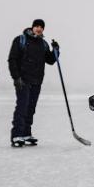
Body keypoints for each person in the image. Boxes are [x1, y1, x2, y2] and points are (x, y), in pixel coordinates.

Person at [7, 19, 59, 147]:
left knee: (31, 108)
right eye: (37, 26)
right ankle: (16, 135)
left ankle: (26, 133)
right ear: (32, 27)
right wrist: (16, 77)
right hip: (23, 80)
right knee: (22, 107)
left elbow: (51, 60)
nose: (39, 28)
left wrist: (56, 50)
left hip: (37, 80)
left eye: (41, 27)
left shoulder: (43, 44)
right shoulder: (21, 40)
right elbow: (12, 59)